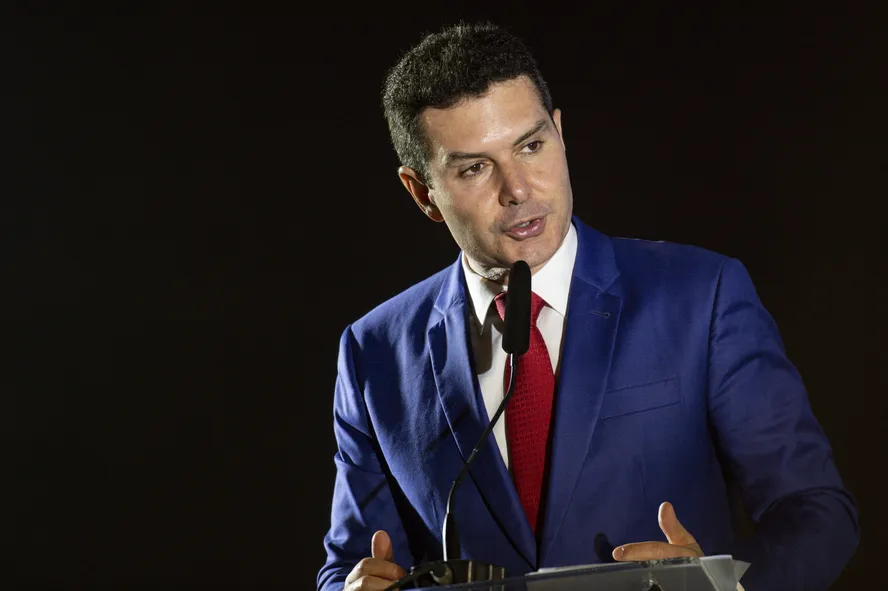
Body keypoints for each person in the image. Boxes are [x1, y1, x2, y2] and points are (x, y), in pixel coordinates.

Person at [317, 22, 858, 591]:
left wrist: (725, 589)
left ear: (560, 132)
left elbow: (816, 511)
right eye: (475, 168)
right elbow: (348, 566)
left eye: (531, 146)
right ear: (422, 192)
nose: (518, 189)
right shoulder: (373, 351)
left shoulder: (702, 295)